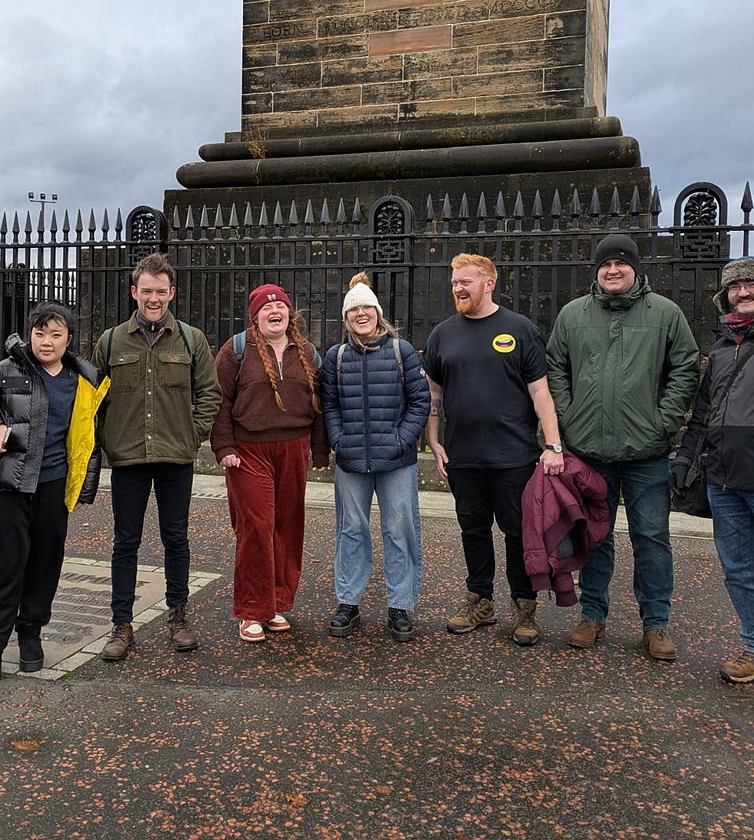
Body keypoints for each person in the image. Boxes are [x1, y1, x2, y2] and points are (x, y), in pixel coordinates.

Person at [547, 233, 699, 661]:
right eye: (604, 264)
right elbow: (555, 366)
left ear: (636, 268)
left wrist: (663, 421)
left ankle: (656, 623)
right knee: (594, 538)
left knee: (651, 537)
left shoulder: (665, 314)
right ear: (595, 271)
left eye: (621, 263)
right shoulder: (573, 314)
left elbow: (686, 367)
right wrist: (569, 414)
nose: (613, 270)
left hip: (645, 453)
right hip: (588, 449)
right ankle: (592, 615)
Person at [0, 302, 109, 684]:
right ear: (30, 334)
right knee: (5, 565)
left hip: (55, 486)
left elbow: (90, 430)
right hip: (12, 484)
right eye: (40, 333)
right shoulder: (7, 371)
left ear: (69, 339)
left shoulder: (84, 379)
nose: (46, 342)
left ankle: (31, 635)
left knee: (45, 564)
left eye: (56, 334)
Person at [424, 254, 564, 647]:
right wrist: (433, 441)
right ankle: (480, 600)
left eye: (466, 281)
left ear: (489, 283)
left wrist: (553, 445)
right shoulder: (443, 334)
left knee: (518, 532)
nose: (458, 288)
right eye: (454, 282)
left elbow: (541, 392)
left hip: (514, 456)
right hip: (463, 456)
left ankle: (525, 605)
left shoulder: (520, 329)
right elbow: (433, 394)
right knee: (473, 529)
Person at [93, 253, 221, 658]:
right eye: (146, 291)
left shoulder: (190, 339)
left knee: (176, 539)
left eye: (160, 291)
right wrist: (105, 442)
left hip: (175, 457)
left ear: (171, 293)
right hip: (127, 457)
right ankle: (121, 623)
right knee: (125, 542)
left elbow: (209, 394)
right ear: (134, 292)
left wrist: (192, 434)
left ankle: (178, 615)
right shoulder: (110, 341)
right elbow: (93, 400)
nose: (153, 298)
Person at [672, 257, 754, 683]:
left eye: (752, 284)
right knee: (739, 571)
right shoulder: (720, 348)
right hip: (723, 479)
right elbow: (703, 414)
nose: (744, 292)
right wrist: (685, 459)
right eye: (735, 287)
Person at [211, 283, 328, 642]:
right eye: (266, 308)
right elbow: (220, 400)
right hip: (248, 451)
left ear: (289, 314)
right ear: (255, 316)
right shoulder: (236, 350)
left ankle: (274, 603)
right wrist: (224, 446)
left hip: (294, 447)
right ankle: (251, 609)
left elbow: (320, 403)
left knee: (287, 526)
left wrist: (320, 451)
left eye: (279, 306)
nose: (273, 311)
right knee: (256, 527)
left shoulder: (306, 351)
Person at [321, 272, 430, 641]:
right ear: (346, 317)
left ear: (377, 312)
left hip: (396, 460)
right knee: (351, 530)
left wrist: (401, 439)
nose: (361, 313)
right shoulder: (335, 357)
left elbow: (421, 401)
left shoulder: (401, 351)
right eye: (354, 309)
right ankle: (348, 602)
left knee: (399, 529)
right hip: (351, 460)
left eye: (367, 307)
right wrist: (338, 438)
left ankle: (400, 606)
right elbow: (329, 404)